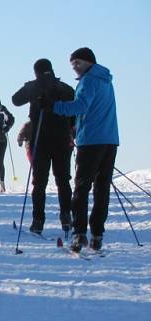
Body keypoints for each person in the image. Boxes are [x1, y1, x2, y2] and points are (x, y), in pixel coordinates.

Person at [51, 47, 119, 252]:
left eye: (78, 64)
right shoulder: (106, 80)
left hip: (91, 142)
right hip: (110, 140)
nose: (75, 69)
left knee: (82, 187)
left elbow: (80, 106)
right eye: (73, 65)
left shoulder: (89, 81)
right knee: (102, 188)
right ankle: (97, 235)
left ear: (89, 62)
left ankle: (79, 233)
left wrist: (54, 106)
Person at [12, 58, 76, 235]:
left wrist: (32, 88)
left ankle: (38, 221)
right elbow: (74, 112)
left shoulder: (34, 87)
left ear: (36, 72)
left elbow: (15, 100)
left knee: (39, 182)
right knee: (63, 180)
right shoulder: (65, 88)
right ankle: (66, 216)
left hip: (40, 139)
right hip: (62, 139)